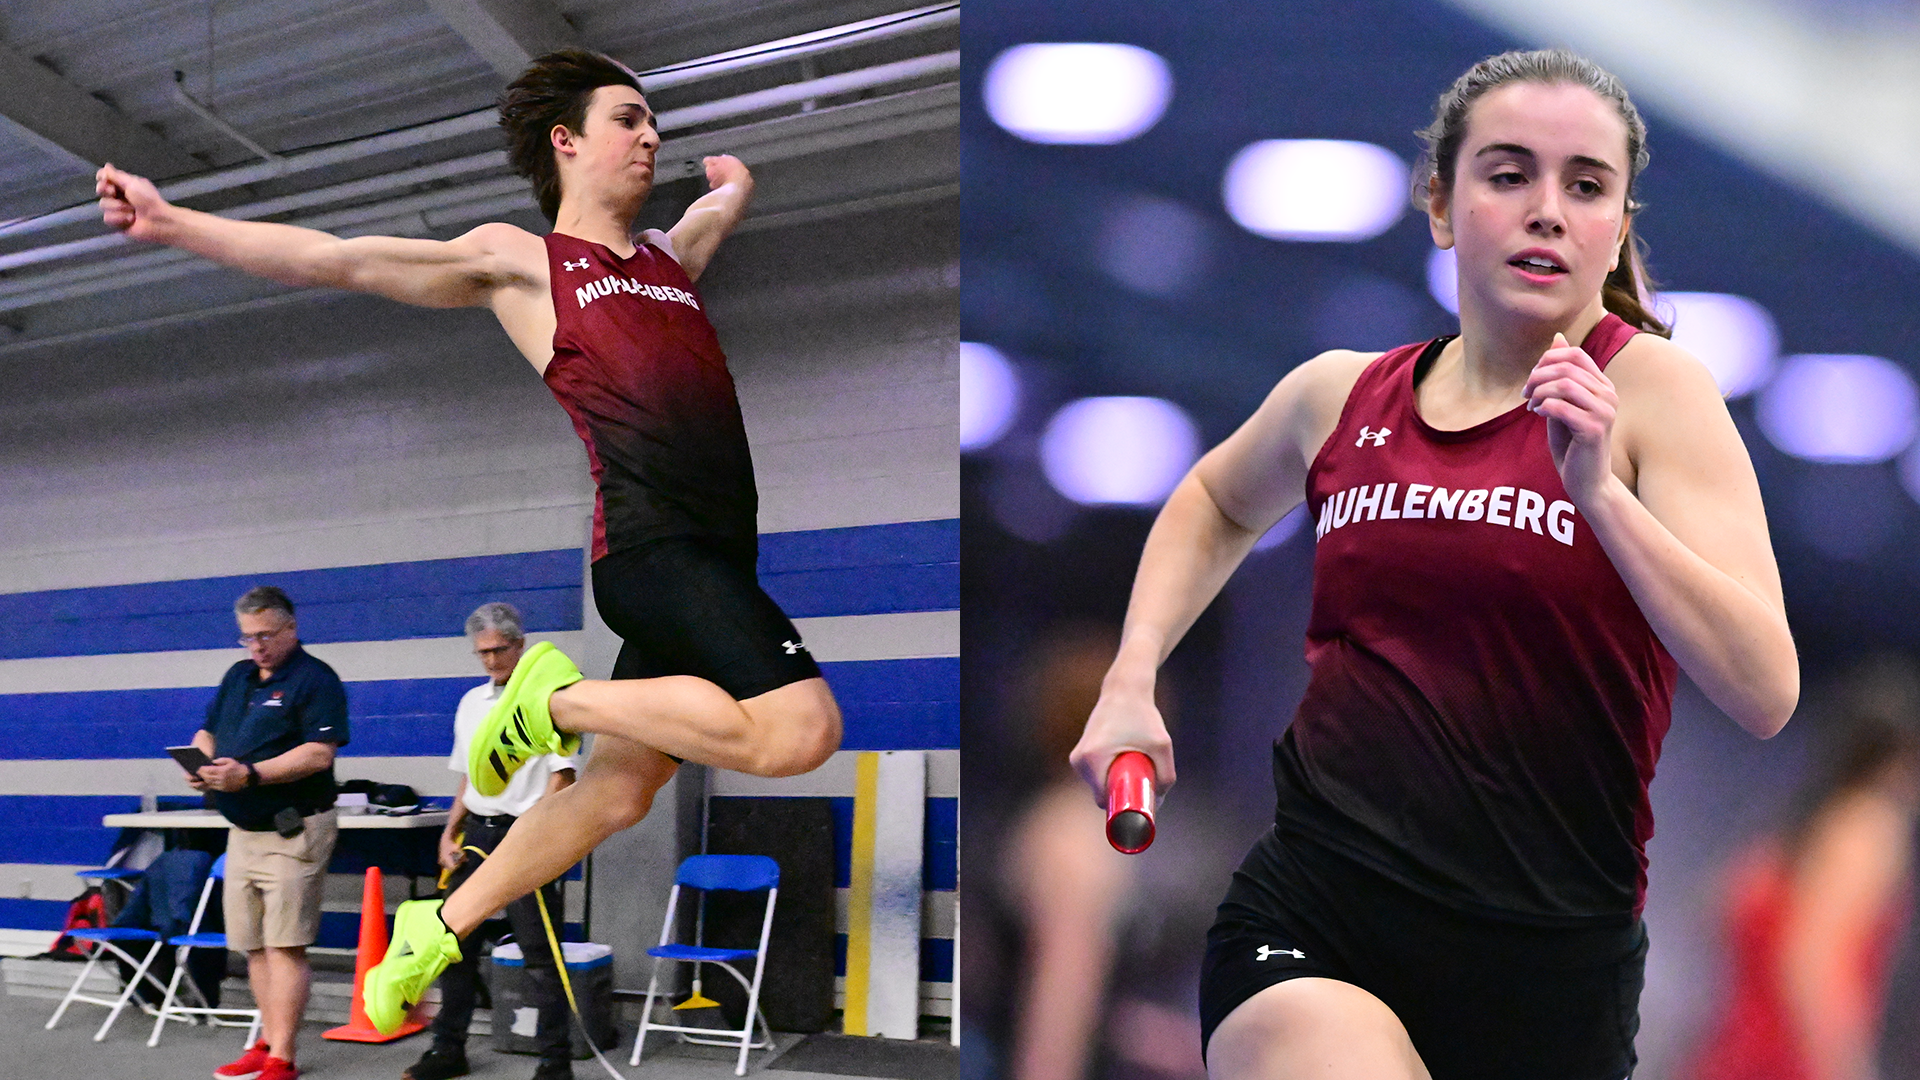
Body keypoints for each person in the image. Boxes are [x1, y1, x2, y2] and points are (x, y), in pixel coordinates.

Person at [1069, 48, 1799, 1080]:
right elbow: (1214, 500)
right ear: (1443, 207)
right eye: (1508, 174)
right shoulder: (1338, 395)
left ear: (1617, 227)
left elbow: (1765, 688)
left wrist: (1599, 496)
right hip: (1316, 914)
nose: (1546, 209)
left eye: (1585, 186)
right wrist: (1131, 680)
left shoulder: (1659, 399)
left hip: (1550, 970)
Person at [98, 48, 842, 1034]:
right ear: (566, 141)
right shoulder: (523, 262)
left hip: (717, 554)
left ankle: (438, 925)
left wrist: (735, 189)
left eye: (654, 121)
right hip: (659, 553)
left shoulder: (666, 262)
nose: (651, 135)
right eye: (629, 119)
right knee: (801, 731)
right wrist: (173, 221)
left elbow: (705, 220)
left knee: (615, 793)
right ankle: (549, 697)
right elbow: (343, 259)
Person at [1682, 656, 1920, 1080]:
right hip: (1790, 1059)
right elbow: (1811, 966)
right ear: (1900, 756)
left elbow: (1718, 908)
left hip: (1727, 1052)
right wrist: (1848, 1069)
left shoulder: (1795, 827)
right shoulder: (1870, 827)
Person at [404, 602, 578, 1080]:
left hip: (527, 835)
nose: (491, 661)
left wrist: (536, 835)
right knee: (452, 945)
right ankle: (448, 1048)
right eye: (482, 653)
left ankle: (554, 1061)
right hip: (476, 832)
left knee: (539, 956)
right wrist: (448, 831)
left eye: (500, 650)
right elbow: (468, 778)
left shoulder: (550, 700)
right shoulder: (471, 703)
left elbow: (561, 776)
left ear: (520, 645)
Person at [190, 585, 348, 1080]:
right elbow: (208, 730)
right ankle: (266, 1040)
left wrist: (251, 775)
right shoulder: (238, 677)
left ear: (290, 629)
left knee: (285, 943)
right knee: (253, 943)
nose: (255, 646)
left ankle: (284, 1055)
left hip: (293, 829)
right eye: (246, 638)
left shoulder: (315, 680)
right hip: (243, 829)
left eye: (264, 635)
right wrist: (201, 763)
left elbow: (319, 754)